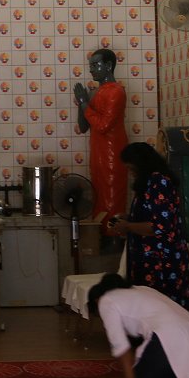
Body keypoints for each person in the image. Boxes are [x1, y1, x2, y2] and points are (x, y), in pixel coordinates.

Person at [112, 142, 189, 309]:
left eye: (132, 169)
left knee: (161, 306)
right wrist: (128, 218)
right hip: (148, 258)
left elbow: (160, 226)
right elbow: (150, 213)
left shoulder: (159, 182)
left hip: (161, 260)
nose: (131, 174)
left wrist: (128, 226)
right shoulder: (148, 183)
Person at [74, 48, 129, 237]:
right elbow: (83, 127)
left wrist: (83, 103)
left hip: (112, 154)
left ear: (108, 66)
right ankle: (101, 237)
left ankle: (113, 237)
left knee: (112, 197)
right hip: (98, 153)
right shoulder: (97, 92)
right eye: (90, 66)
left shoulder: (116, 92)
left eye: (95, 65)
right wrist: (82, 103)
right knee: (99, 195)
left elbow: (103, 125)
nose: (91, 70)